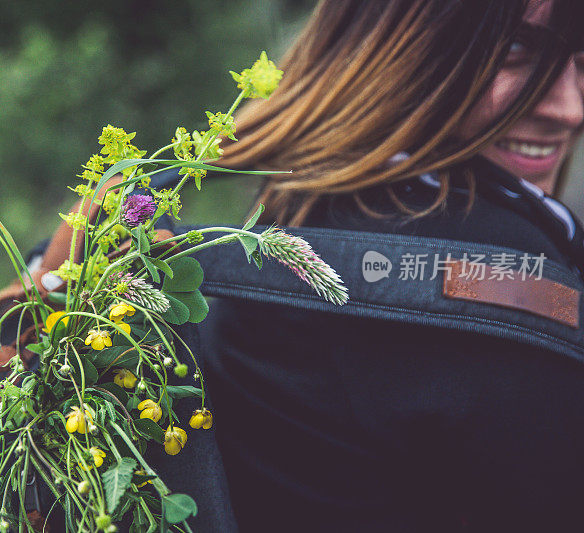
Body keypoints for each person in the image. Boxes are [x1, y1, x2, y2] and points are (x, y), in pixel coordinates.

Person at [157, 0, 584, 531]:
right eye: (517, 49)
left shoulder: (303, 206)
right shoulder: (500, 269)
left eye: (583, 61)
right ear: (399, 41)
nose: (570, 109)